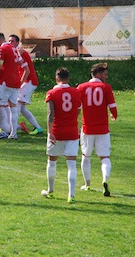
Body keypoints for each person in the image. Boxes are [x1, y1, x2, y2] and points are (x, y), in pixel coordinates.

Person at [41, 68, 81, 204]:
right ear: (68, 79)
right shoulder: (76, 92)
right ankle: (71, 195)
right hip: (72, 132)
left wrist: (49, 132)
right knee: (71, 164)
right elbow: (78, 110)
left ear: (56, 79)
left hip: (57, 132)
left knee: (52, 161)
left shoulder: (51, 93)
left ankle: (50, 190)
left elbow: (50, 114)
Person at [77, 63, 118, 197]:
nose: (107, 77)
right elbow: (112, 105)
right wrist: (114, 115)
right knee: (104, 157)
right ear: (98, 75)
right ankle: (105, 179)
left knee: (86, 156)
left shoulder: (81, 87)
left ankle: (87, 184)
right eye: (105, 74)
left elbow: (77, 107)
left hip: (87, 127)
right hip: (102, 128)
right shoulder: (106, 87)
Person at [0, 32, 29, 140]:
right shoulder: (14, 49)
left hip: (5, 82)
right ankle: (13, 133)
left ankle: (4, 131)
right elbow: (21, 63)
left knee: (0, 105)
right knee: (13, 107)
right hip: (15, 82)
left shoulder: (2, 49)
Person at [8, 34, 44, 135]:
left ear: (17, 43)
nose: (10, 43)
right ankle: (38, 128)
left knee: (17, 104)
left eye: (12, 41)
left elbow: (26, 71)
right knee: (23, 108)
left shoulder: (21, 53)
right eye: (9, 41)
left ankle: (11, 130)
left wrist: (19, 83)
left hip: (30, 81)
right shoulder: (15, 52)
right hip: (27, 82)